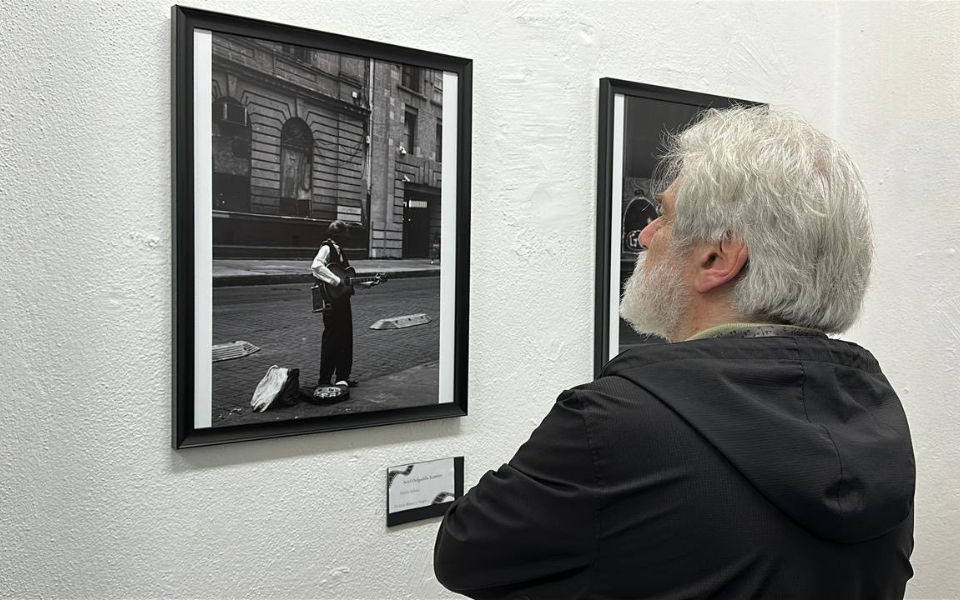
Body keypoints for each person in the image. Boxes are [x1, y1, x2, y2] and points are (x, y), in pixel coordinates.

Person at [433, 106, 915, 599]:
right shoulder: (874, 413)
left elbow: (463, 553)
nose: (645, 234)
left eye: (663, 215)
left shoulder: (616, 423)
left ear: (717, 257)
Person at [311, 220, 375, 389]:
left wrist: (366, 284)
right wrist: (335, 281)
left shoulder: (340, 251)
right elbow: (316, 266)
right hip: (332, 302)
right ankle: (324, 380)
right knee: (332, 340)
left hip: (343, 301)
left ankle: (342, 377)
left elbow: (347, 280)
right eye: (346, 232)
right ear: (338, 233)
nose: (348, 236)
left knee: (345, 339)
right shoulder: (327, 248)